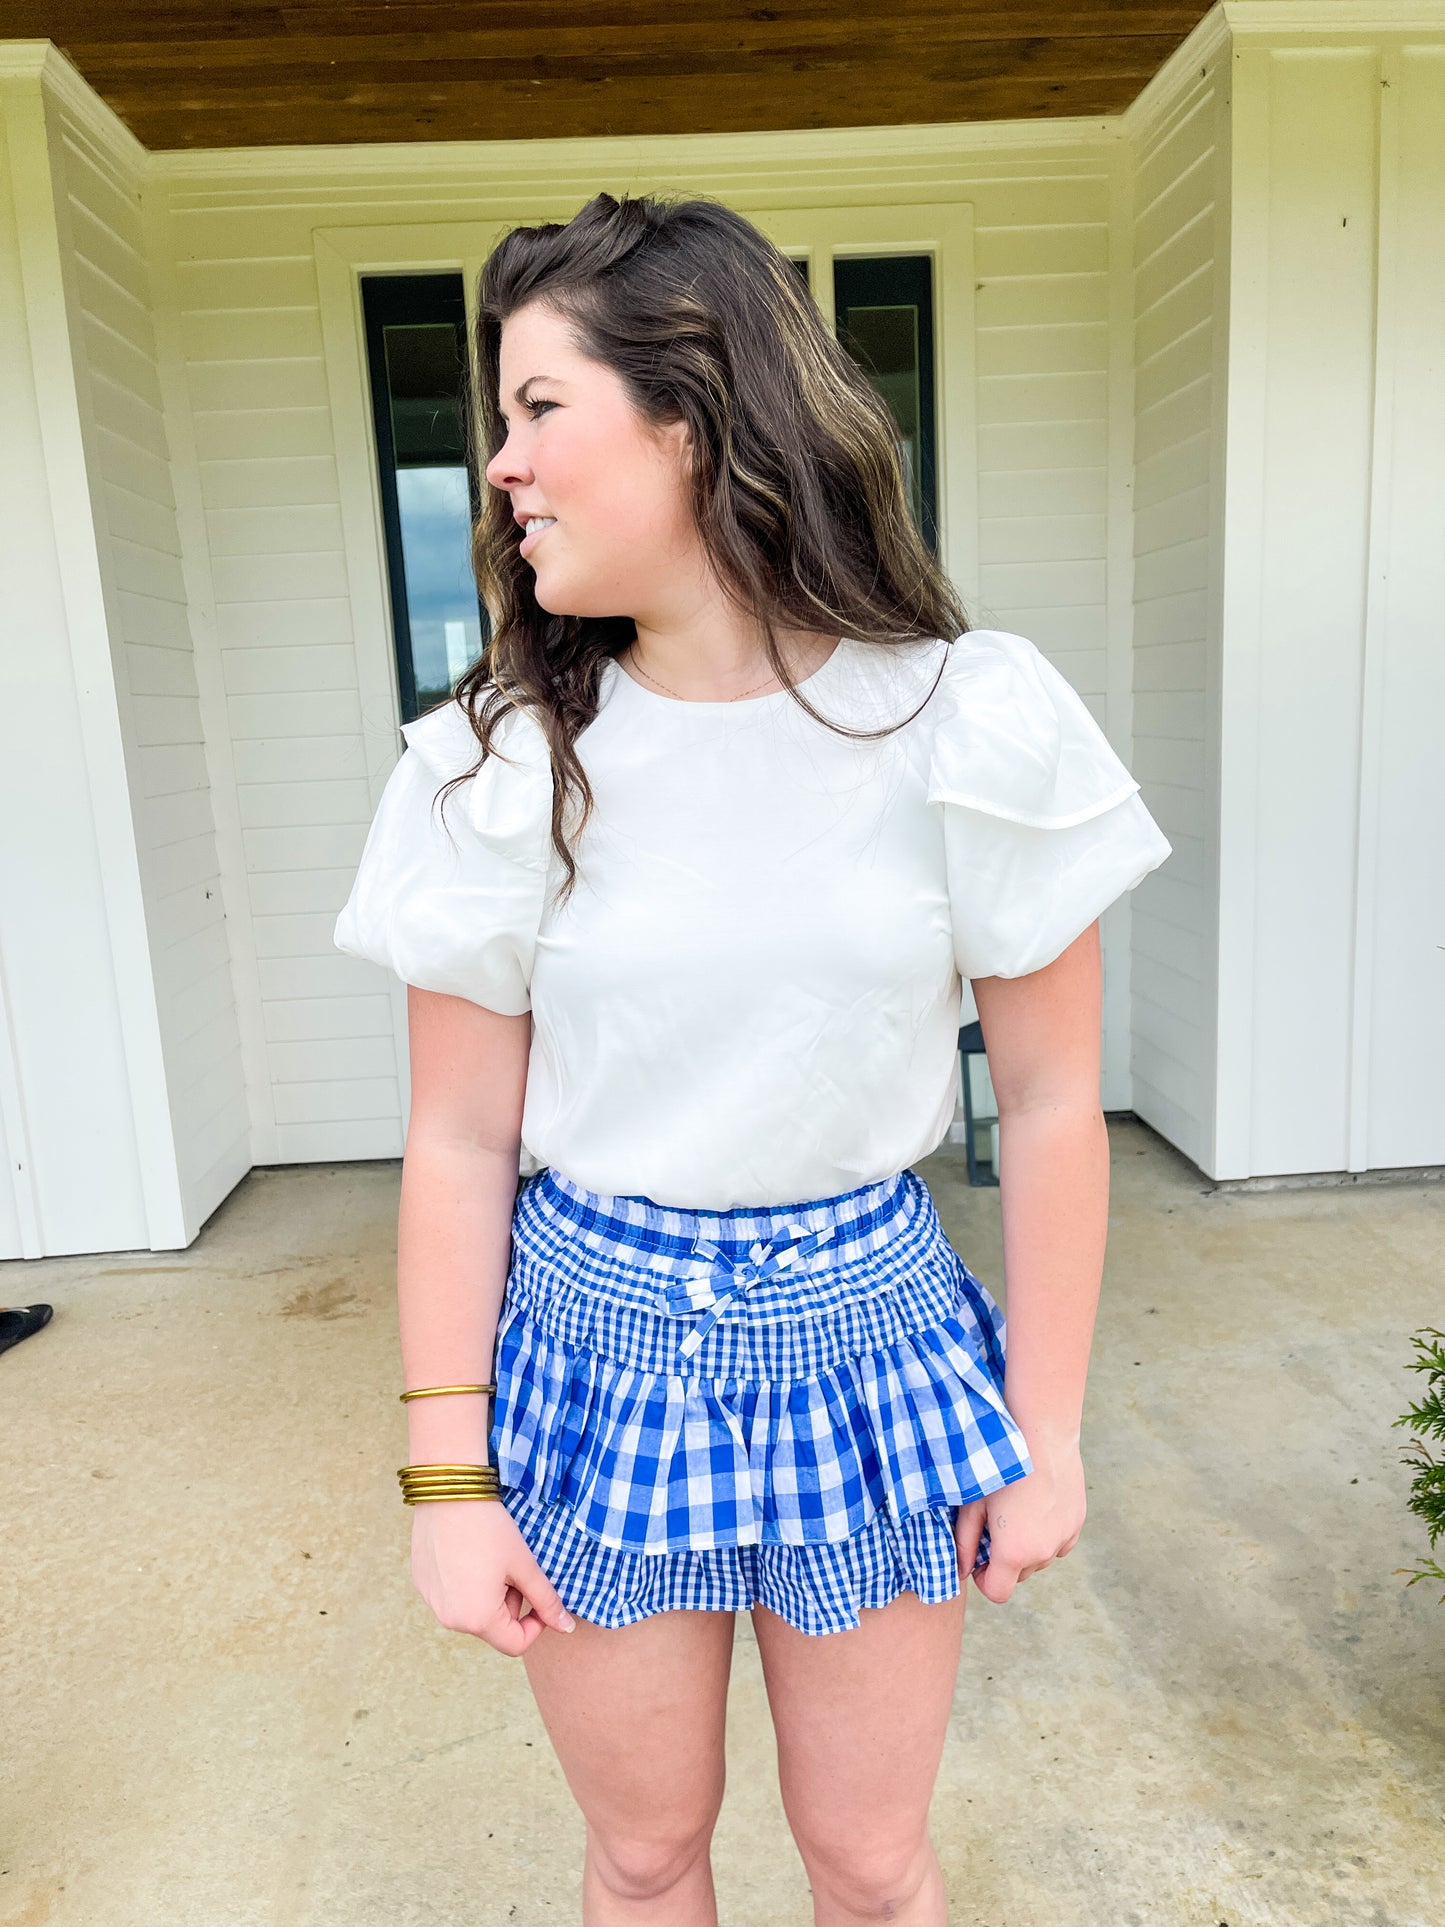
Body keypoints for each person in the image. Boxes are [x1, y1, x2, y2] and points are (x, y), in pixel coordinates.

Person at [334, 191, 1171, 1926]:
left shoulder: (962, 718)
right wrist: (444, 1478)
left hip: (872, 1354)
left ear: (696, 416)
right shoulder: (494, 768)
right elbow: (458, 1142)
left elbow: (1045, 1102)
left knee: (869, 1865)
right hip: (596, 1357)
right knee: (643, 1860)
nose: (500, 465)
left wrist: (1051, 1432)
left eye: (539, 409)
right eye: (501, 422)